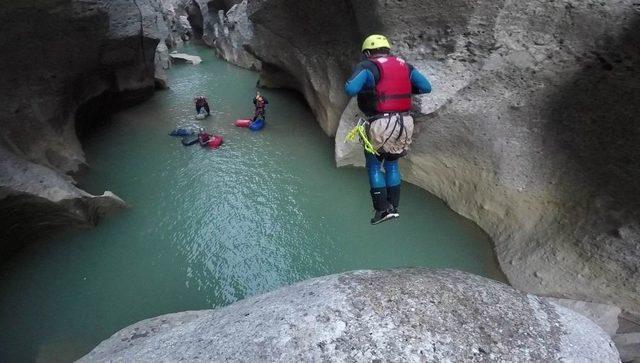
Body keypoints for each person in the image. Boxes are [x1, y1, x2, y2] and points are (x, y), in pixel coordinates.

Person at [344, 34, 432, 225]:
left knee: (374, 165)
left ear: (367, 52)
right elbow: (426, 87)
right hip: (405, 122)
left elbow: (351, 89)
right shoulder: (404, 65)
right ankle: (394, 207)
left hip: (381, 123)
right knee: (392, 164)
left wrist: (368, 86)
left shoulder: (367, 66)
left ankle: (381, 211)